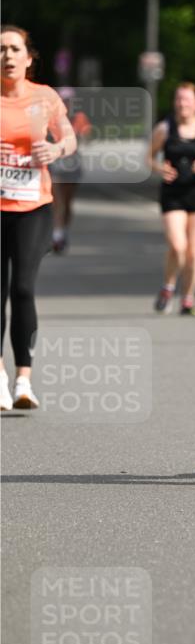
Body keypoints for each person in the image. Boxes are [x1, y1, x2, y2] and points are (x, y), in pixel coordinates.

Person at [1, 26, 76, 410]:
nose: (7, 56)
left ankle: (23, 381)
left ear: (29, 58)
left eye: (14, 49)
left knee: (24, 289)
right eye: (1, 49)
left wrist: (57, 147)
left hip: (33, 206)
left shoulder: (44, 97)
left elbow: (68, 137)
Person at [149, 82, 195, 316]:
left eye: (187, 100)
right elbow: (149, 158)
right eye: (179, 99)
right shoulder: (165, 128)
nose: (182, 104)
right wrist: (160, 168)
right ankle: (168, 287)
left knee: (193, 251)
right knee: (178, 246)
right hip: (173, 195)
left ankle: (188, 299)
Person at [49, 86, 93, 253]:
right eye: (63, 99)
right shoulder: (52, 117)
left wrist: (83, 134)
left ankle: (63, 231)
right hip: (56, 163)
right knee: (57, 201)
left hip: (72, 164)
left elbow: (87, 136)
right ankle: (57, 235)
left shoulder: (79, 117)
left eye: (68, 100)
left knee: (67, 202)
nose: (66, 103)